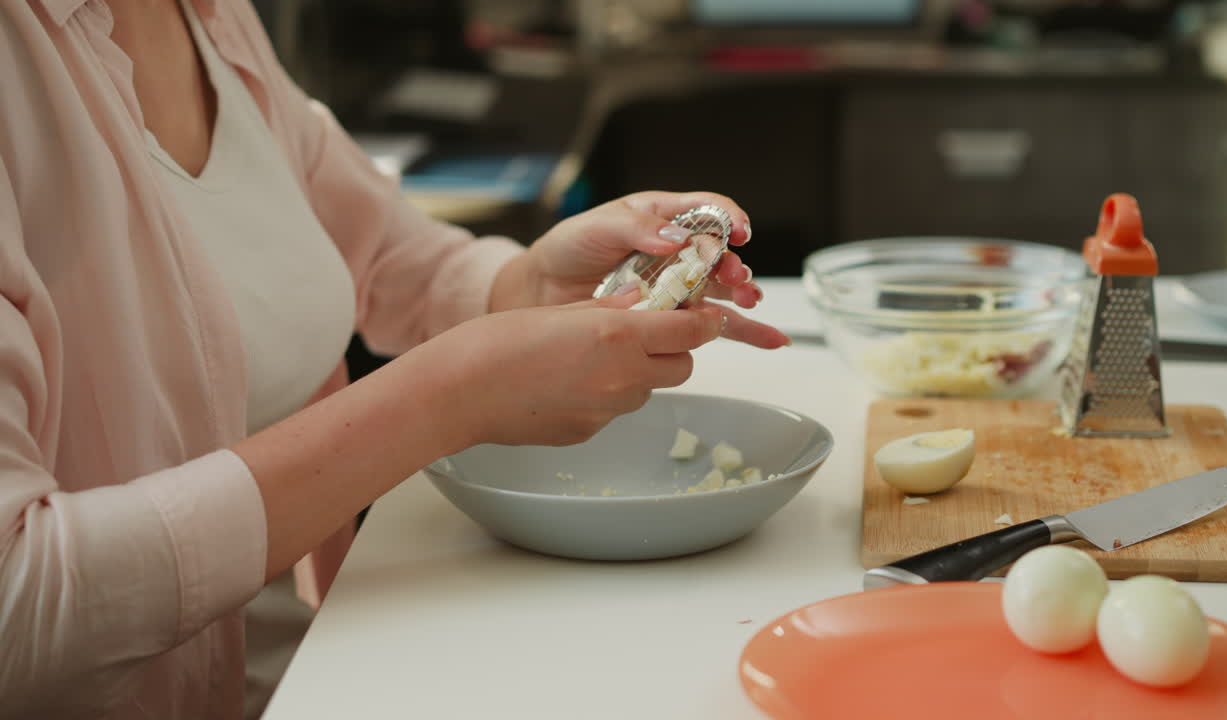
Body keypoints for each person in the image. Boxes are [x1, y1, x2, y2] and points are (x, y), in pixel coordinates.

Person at [0, 1, 788, 718]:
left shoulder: (208, 15)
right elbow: (19, 605)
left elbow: (372, 254)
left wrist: (533, 281)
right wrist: (442, 401)